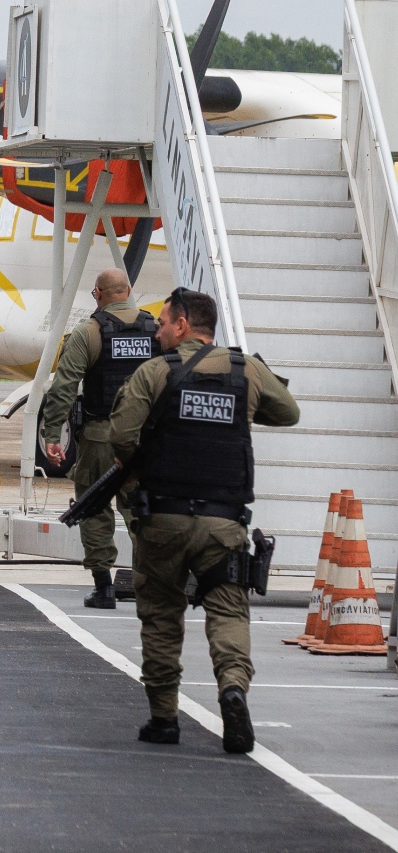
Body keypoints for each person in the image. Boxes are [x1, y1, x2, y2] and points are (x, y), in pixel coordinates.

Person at [108, 288, 298, 754]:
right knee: (229, 611)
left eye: (164, 322)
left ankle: (164, 719)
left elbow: (120, 435)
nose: (156, 330)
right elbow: (288, 412)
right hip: (223, 522)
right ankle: (233, 687)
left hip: (164, 519)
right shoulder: (245, 370)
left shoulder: (154, 373)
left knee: (160, 617)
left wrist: (144, 463)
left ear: (184, 325)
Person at [40, 268, 159, 609]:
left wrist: (52, 433)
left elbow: (64, 387)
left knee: (94, 510)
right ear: (129, 290)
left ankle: (104, 587)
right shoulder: (155, 330)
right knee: (143, 512)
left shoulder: (88, 333)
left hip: (99, 438)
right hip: (143, 440)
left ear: (98, 294)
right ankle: (150, 587)